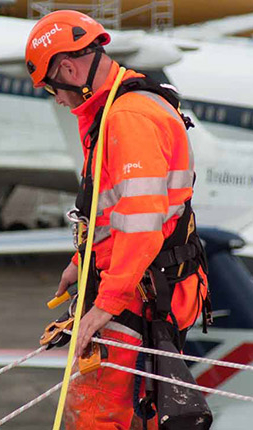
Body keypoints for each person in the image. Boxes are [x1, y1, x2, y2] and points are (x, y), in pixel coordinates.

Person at [24, 10, 211, 429]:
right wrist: (81, 263)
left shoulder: (127, 119)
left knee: (97, 416)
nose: (57, 98)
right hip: (144, 287)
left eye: (53, 88)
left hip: (136, 298)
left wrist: (104, 305)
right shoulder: (116, 108)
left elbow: (142, 224)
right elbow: (111, 211)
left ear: (69, 69)